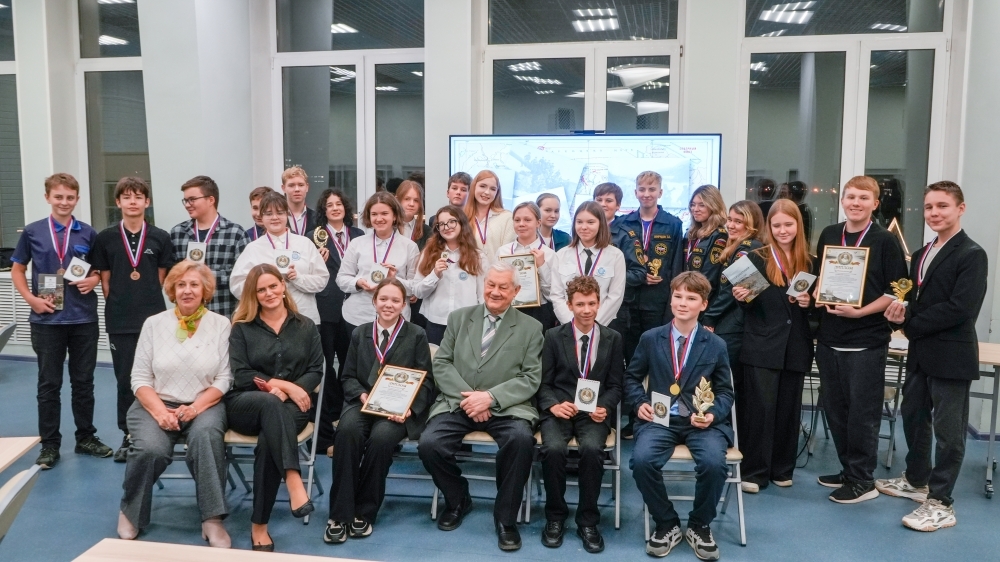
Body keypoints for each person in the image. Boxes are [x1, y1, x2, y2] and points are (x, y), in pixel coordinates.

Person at [877, 181, 988, 532]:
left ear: (960, 209)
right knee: (912, 416)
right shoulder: (922, 253)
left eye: (942, 206)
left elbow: (961, 309)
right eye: (929, 207)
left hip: (952, 356)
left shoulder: (971, 254)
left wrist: (910, 322)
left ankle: (941, 502)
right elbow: (915, 300)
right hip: (921, 353)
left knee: (949, 432)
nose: (934, 213)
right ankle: (916, 479)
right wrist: (899, 314)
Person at [418, 262, 543, 552]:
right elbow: (442, 363)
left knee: (521, 441)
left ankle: (506, 519)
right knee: (429, 444)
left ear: (516, 291)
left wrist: (490, 398)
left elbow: (530, 377)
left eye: (503, 287)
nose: (495, 292)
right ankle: (458, 498)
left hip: (507, 406)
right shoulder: (459, 318)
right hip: (459, 401)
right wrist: (471, 398)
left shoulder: (532, 328)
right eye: (491, 285)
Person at [116, 261, 232, 547]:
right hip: (156, 402)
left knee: (206, 439)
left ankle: (212, 518)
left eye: (194, 285)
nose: (187, 291)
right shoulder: (153, 324)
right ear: (172, 290)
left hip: (204, 403)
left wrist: (195, 408)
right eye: (181, 285)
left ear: (205, 291)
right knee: (150, 449)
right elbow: (139, 378)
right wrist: (159, 412)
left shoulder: (221, 324)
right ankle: (131, 511)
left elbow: (225, 378)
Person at [625, 271, 734, 560]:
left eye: (691, 298)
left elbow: (726, 392)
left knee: (714, 464)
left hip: (702, 424)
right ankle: (667, 522)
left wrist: (712, 415)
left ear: (704, 304)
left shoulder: (716, 345)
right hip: (660, 420)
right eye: (678, 296)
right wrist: (639, 403)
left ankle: (699, 525)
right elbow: (632, 378)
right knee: (641, 461)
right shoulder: (651, 338)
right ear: (670, 299)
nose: (683, 303)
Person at [813, 176, 908, 504]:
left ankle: (863, 480)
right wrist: (818, 294)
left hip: (866, 340)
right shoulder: (829, 234)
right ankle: (848, 470)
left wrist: (861, 312)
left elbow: (897, 290)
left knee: (862, 415)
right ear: (842, 200)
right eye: (850, 196)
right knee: (836, 410)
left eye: (863, 198)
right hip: (829, 338)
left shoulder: (885, 241)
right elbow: (822, 276)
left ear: (875, 203)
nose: (856, 202)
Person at [10, 172, 113, 468]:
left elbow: (99, 269)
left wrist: (94, 280)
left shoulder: (89, 233)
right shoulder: (32, 232)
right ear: (47, 198)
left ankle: (86, 438)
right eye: (58, 197)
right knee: (48, 384)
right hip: (46, 320)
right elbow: (18, 269)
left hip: (83, 319)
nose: (64, 202)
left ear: (77, 199)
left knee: (84, 382)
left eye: (70, 197)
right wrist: (30, 299)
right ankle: (50, 445)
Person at [324, 279, 435, 544]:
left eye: (395, 300)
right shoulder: (359, 333)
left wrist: (409, 408)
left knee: (381, 438)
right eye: (383, 299)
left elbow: (427, 381)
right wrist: (361, 394)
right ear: (374, 301)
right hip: (361, 403)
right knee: (347, 432)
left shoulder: (417, 334)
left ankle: (364, 511)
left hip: (398, 410)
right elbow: (347, 376)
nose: (389, 305)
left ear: (404, 304)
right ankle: (339, 514)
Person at [228, 264, 325, 552]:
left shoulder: (305, 325)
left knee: (269, 443)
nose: (269, 293)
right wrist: (285, 387)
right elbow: (242, 374)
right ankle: (294, 480)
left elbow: (316, 370)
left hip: (291, 407)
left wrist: (290, 391)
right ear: (253, 295)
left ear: (283, 286)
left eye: (273, 286)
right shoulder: (242, 328)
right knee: (270, 403)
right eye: (261, 290)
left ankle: (259, 525)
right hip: (246, 404)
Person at [90, 177, 175, 462]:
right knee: (125, 380)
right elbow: (105, 281)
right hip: (120, 320)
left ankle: (158, 429)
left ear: (147, 202)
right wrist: (121, 303)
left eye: (138, 196)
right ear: (118, 202)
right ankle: (128, 435)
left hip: (154, 320)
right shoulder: (106, 238)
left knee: (158, 376)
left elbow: (161, 278)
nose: (133, 201)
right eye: (126, 197)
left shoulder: (160, 237)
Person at [537, 276, 623, 553]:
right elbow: (543, 382)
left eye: (592, 303)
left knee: (592, 450)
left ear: (599, 303)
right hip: (560, 410)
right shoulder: (553, 336)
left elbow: (616, 385)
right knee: (552, 449)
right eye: (580, 304)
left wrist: (605, 406)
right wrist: (553, 406)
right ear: (569, 305)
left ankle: (588, 520)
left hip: (593, 413)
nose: (587, 310)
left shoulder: (612, 338)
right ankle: (555, 517)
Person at [735, 200, 813, 494]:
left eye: (788, 224)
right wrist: (741, 296)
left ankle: (782, 468)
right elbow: (743, 304)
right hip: (762, 345)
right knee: (760, 411)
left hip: (796, 347)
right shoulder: (755, 258)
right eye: (777, 225)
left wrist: (809, 303)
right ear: (768, 227)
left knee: (789, 411)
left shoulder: (810, 261)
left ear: (798, 226)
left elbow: (818, 311)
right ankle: (754, 472)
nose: (783, 230)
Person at [616, 171, 684, 376]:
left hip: (658, 300)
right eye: (642, 189)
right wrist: (637, 275)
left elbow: (677, 265)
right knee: (630, 352)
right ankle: (632, 393)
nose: (647, 194)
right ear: (635, 192)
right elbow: (617, 261)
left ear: (660, 192)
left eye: (652, 189)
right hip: (629, 299)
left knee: (657, 351)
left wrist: (672, 300)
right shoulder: (623, 223)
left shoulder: (673, 224)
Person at [313, 188, 365, 455]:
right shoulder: (314, 236)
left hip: (355, 306)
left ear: (346, 207)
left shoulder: (359, 235)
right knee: (326, 365)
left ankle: (349, 416)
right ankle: (331, 413)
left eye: (339, 204)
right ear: (324, 210)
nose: (335, 208)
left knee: (350, 365)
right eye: (329, 205)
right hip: (327, 307)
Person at [709, 201, 765, 435]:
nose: (731, 225)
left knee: (729, 384)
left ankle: (731, 435)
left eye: (738, 221)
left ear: (751, 225)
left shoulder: (749, 248)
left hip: (735, 327)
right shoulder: (737, 247)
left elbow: (731, 294)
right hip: (732, 324)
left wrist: (708, 318)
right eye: (729, 220)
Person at [230, 191, 329, 324]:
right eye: (268, 214)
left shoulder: (305, 243)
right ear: (261, 217)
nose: (275, 217)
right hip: (265, 321)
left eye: (280, 212)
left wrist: (298, 278)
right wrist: (263, 283)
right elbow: (236, 285)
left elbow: (322, 279)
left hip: (303, 317)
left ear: (287, 214)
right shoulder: (253, 248)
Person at [336, 192, 420, 332]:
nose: (379, 218)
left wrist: (394, 280)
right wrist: (358, 283)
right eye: (374, 214)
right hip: (359, 316)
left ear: (394, 216)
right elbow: (341, 279)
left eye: (384, 213)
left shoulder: (409, 247)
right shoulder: (357, 243)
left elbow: (416, 288)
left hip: (395, 318)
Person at [170, 175, 248, 318]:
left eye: (192, 199)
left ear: (211, 200)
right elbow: (171, 275)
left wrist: (204, 276)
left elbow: (243, 277)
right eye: (185, 200)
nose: (187, 205)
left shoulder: (235, 233)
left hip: (224, 312)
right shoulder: (178, 233)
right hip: (187, 317)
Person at [414, 205, 488, 345]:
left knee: (465, 359)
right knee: (436, 358)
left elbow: (483, 295)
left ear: (462, 223)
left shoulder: (478, 256)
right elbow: (418, 292)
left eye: (451, 221)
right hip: (436, 323)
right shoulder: (429, 253)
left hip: (468, 323)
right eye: (441, 224)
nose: (446, 227)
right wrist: (434, 275)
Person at [550, 202, 626, 327]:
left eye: (590, 222)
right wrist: (573, 324)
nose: (584, 227)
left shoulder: (615, 256)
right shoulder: (561, 255)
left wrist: (593, 324)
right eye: (579, 222)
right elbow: (556, 295)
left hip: (603, 324)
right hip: (568, 325)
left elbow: (615, 296)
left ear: (601, 224)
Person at [593, 182, 646, 341]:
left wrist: (609, 278)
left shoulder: (626, 235)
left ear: (618, 206)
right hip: (587, 304)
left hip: (616, 308)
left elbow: (639, 273)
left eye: (609, 200)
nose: (603, 204)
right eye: (599, 200)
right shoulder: (584, 231)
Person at [495, 202, 558, 330]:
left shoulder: (549, 254)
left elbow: (552, 294)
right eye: (517, 220)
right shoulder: (503, 252)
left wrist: (542, 266)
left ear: (538, 223)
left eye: (527, 220)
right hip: (508, 309)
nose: (521, 224)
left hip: (539, 312)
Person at [685, 185, 729, 323]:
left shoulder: (719, 236)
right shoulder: (692, 234)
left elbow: (709, 278)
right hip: (688, 298)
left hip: (703, 304)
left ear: (713, 206)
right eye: (693, 205)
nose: (695, 209)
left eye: (701, 205)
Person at [463, 170, 515, 261]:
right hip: (469, 269)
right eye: (483, 186)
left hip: (498, 269)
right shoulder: (462, 218)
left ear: (497, 192)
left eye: (493, 189)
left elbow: (508, 255)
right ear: (474, 187)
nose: (487, 192)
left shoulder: (507, 218)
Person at [282, 166, 317, 237]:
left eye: (301, 185)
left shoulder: (317, 217)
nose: (297, 189)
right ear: (283, 188)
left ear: (307, 187)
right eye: (291, 185)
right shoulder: (276, 218)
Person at [396, 180, 431, 249]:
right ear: (397, 200)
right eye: (407, 199)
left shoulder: (427, 232)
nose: (411, 204)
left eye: (416, 200)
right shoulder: (388, 228)